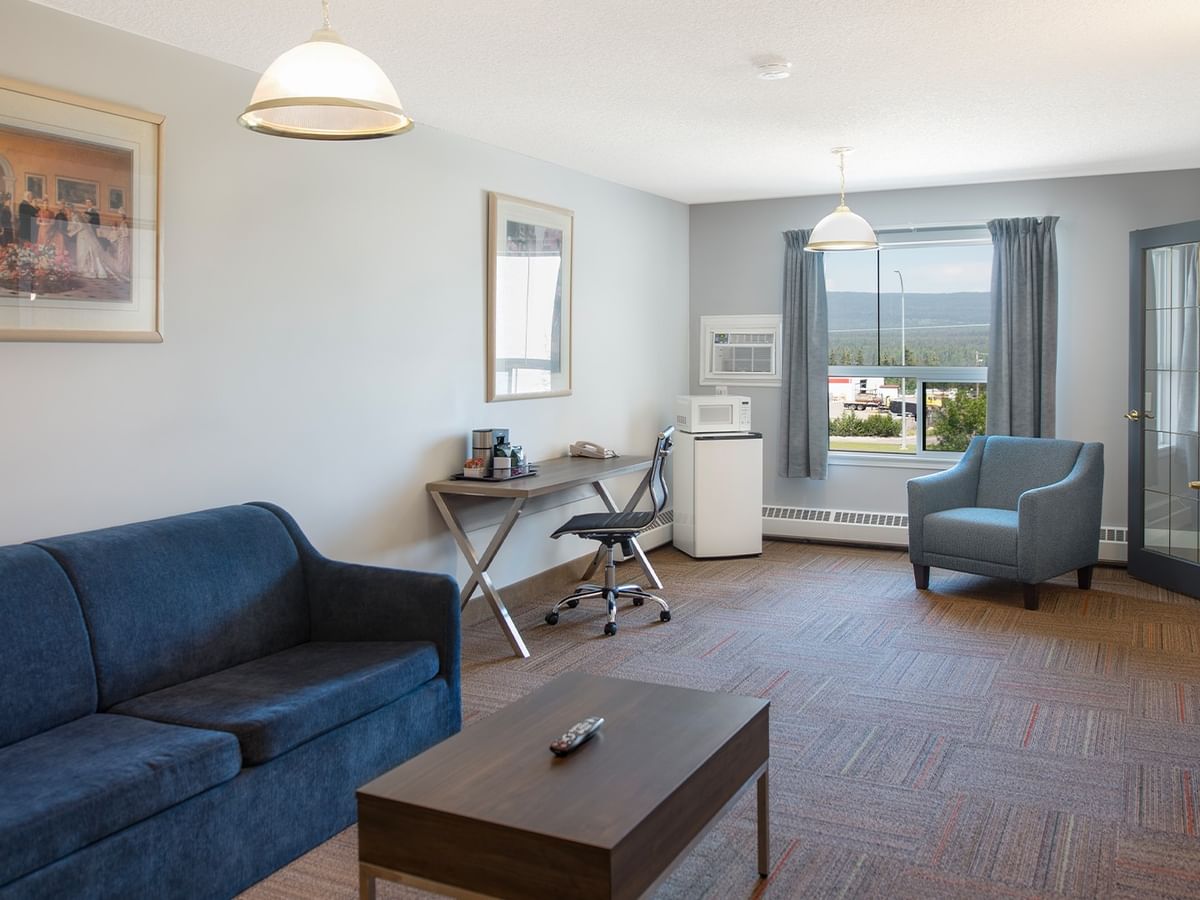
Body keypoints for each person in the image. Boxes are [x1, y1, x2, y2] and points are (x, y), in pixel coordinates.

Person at [68, 206, 126, 281]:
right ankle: (85, 269)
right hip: (82, 235)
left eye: (67, 210)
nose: (67, 212)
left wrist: (71, 233)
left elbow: (81, 226)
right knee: (84, 251)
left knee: (85, 251)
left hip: (83, 236)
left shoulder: (75, 216)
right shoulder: (77, 215)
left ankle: (89, 270)